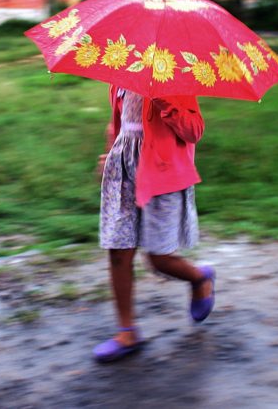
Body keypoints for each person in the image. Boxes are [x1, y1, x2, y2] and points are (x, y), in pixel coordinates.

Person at [93, 84, 215, 363]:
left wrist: (163, 100)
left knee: (158, 259)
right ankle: (127, 332)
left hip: (162, 170)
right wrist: (110, 152)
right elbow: (118, 123)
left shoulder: (173, 80)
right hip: (123, 167)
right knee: (118, 250)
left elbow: (194, 131)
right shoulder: (120, 76)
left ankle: (200, 278)